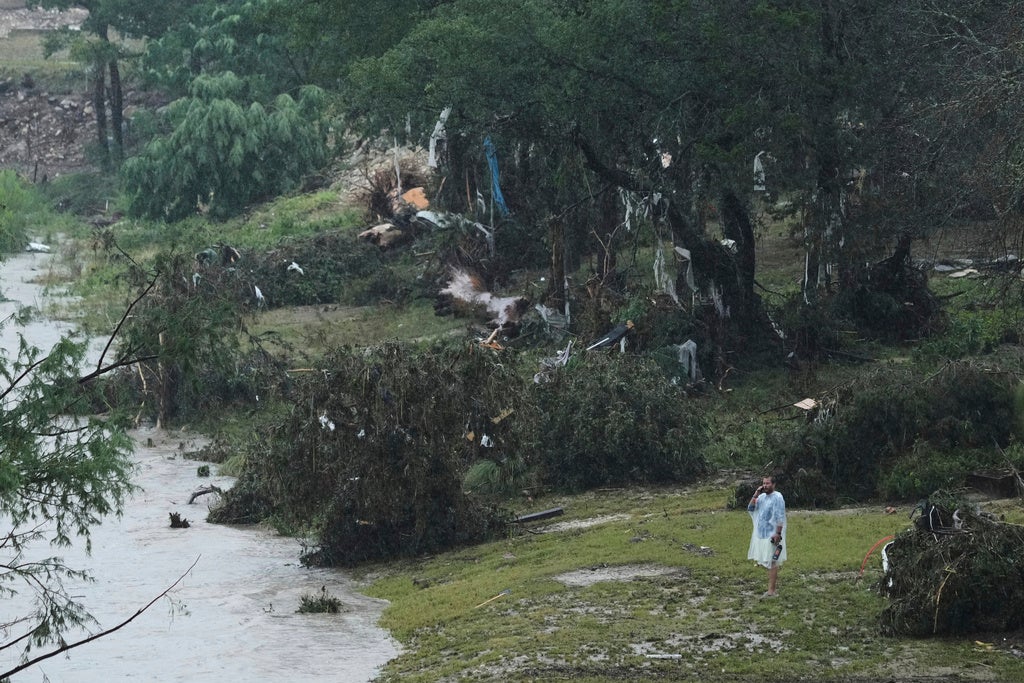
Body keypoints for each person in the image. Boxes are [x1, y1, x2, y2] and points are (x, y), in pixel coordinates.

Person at [747, 474, 786, 597]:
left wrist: (778, 533)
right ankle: (770, 588)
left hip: (772, 535)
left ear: (773, 484)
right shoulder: (762, 497)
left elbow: (780, 516)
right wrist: (756, 494)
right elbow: (750, 508)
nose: (765, 485)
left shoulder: (778, 497)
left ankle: (771, 591)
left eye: (768, 483)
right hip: (762, 534)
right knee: (767, 561)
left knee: (773, 562)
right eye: (764, 483)